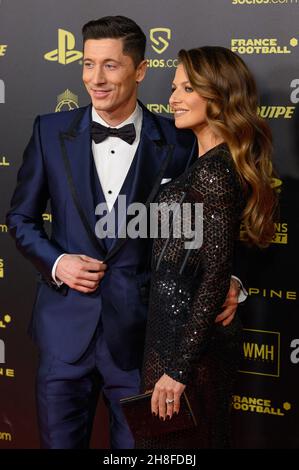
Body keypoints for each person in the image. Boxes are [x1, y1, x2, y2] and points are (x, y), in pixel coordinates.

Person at [6, 18, 243, 449]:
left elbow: (209, 223)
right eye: (88, 63)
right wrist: (58, 262)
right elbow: (20, 219)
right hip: (64, 337)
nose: (95, 79)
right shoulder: (49, 131)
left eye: (111, 66)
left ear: (140, 70)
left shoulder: (180, 138)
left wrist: (230, 278)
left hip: (143, 341)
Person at [138, 46, 277, 449]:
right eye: (173, 87)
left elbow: (215, 273)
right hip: (172, 333)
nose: (173, 98)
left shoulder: (215, 173)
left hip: (189, 345)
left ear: (218, 96)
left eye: (186, 88)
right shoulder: (201, 164)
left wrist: (180, 368)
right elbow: (192, 256)